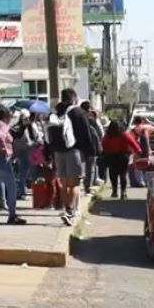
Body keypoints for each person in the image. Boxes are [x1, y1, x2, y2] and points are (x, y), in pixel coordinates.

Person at [48, 88, 97, 226]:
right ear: (74, 99)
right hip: (74, 151)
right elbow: (86, 135)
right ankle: (69, 212)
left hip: (58, 152)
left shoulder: (54, 112)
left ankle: (66, 208)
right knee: (75, 184)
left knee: (64, 184)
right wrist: (90, 152)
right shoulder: (78, 112)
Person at [0, 107, 27, 225]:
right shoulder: (2, 125)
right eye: (10, 117)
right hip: (2, 160)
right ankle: (12, 215)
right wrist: (4, 150)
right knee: (11, 186)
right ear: (6, 117)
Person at [101, 119, 143, 199]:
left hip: (111, 156)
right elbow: (133, 142)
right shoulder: (124, 134)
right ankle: (123, 193)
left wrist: (105, 152)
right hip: (123, 156)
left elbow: (103, 144)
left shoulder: (108, 135)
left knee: (113, 174)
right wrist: (139, 151)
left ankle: (114, 191)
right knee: (123, 175)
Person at [10, 109, 37, 200]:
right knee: (25, 172)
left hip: (17, 149)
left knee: (19, 171)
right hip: (27, 149)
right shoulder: (29, 125)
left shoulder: (15, 126)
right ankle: (22, 192)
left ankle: (18, 191)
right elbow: (34, 137)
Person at [79, 101, 104, 191]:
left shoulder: (78, 118)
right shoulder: (91, 119)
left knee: (81, 166)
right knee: (90, 167)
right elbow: (99, 133)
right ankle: (88, 187)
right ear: (89, 109)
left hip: (80, 146)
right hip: (91, 145)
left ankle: (83, 184)